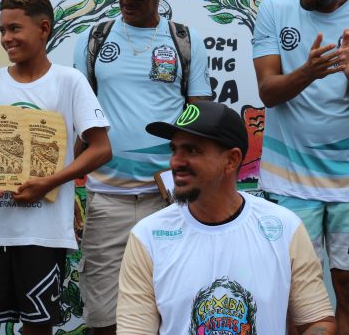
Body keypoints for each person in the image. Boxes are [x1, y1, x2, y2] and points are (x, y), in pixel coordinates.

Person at [72, 0, 211, 334]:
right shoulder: (93, 39)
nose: (127, 1)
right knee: (102, 316)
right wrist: (63, 188)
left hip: (168, 201)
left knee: (173, 309)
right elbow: (76, 123)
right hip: (106, 199)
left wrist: (191, 184)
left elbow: (199, 117)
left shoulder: (185, 39)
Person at [0, 0, 111, 335]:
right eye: (1, 30)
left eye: (14, 28)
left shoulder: (69, 82)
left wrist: (49, 182)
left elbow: (101, 148)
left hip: (44, 234)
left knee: (37, 326)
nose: (6, 39)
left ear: (43, 29)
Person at [117, 100, 336, 334]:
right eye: (174, 150)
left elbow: (317, 321)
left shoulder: (284, 227)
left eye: (192, 150)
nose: (175, 162)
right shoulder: (148, 236)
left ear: (231, 160)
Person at [252, 0, 349, 329]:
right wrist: (309, 71)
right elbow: (268, 92)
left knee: (346, 286)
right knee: (296, 294)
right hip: (289, 181)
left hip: (346, 184)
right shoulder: (275, 8)